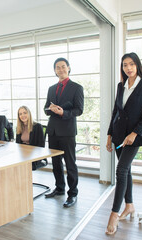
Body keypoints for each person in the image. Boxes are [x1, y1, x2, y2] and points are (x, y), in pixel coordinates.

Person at [105, 52, 142, 235]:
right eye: (125, 65)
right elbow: (115, 112)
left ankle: (114, 214)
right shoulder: (121, 86)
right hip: (118, 135)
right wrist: (109, 135)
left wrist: (135, 133)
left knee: (121, 170)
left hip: (134, 137)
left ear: (137, 65)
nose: (129, 68)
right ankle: (130, 205)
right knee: (126, 171)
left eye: (132, 64)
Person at [44, 57, 84, 208]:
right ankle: (60, 188)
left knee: (70, 163)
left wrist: (63, 112)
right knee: (55, 162)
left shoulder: (76, 88)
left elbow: (79, 110)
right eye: (57, 67)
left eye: (63, 66)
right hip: (53, 130)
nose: (60, 69)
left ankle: (72, 193)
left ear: (68, 68)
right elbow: (45, 108)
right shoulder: (51, 89)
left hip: (67, 131)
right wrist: (50, 110)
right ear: (55, 71)